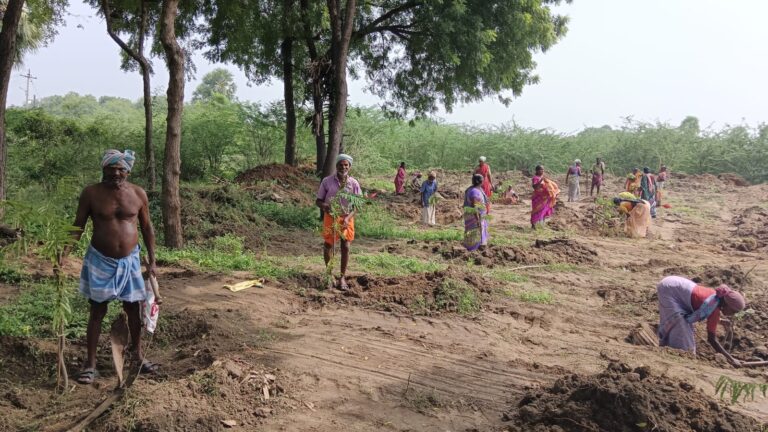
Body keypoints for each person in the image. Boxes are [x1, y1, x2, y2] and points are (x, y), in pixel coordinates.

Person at [63, 149, 158, 385]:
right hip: (100, 260)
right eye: (111, 168)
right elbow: (78, 226)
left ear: (128, 171)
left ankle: (137, 356)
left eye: (121, 169)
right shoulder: (91, 194)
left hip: (130, 261)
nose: (116, 173)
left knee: (133, 309)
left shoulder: (138, 194)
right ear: (103, 168)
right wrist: (63, 253)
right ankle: (91, 364)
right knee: (97, 311)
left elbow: (147, 228)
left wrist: (153, 260)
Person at [656, 276, 746, 367]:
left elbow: (703, 309)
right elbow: (712, 339)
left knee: (680, 325)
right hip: (670, 290)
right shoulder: (713, 308)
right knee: (682, 335)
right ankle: (673, 358)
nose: (732, 314)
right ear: (727, 304)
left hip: (675, 283)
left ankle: (667, 346)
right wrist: (731, 358)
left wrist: (719, 321)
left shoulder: (715, 299)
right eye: (733, 311)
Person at [317, 154, 362, 291]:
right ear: (336, 166)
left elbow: (357, 206)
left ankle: (342, 277)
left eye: (346, 165)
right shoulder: (327, 181)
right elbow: (318, 201)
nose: (343, 167)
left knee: (346, 246)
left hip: (346, 217)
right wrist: (325, 206)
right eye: (341, 165)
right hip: (331, 217)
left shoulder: (353, 183)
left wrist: (348, 219)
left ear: (350, 167)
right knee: (328, 244)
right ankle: (329, 274)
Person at [462, 174, 489, 251]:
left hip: (475, 215)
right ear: (480, 181)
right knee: (475, 232)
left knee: (473, 232)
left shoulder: (474, 189)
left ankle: (473, 248)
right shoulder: (475, 191)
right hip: (474, 216)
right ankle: (473, 250)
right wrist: (477, 219)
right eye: (482, 180)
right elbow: (475, 207)